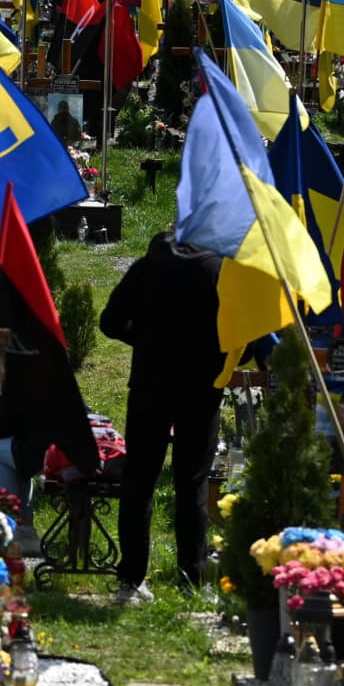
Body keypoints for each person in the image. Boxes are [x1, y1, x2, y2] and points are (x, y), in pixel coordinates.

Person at [99, 229, 227, 604]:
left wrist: (144, 338)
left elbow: (110, 322)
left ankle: (131, 579)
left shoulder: (145, 267)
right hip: (201, 389)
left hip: (150, 386)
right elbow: (241, 335)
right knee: (193, 483)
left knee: (139, 481)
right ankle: (193, 578)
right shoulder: (217, 270)